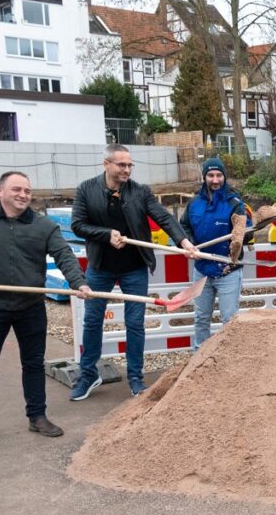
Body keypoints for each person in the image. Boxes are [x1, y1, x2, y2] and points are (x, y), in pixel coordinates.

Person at [0, 171, 91, 448]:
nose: (23, 195)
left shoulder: (43, 226)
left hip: (30, 307)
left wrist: (78, 282)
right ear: (0, 191)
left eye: (27, 190)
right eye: (16, 189)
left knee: (33, 364)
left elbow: (64, 254)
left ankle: (37, 416)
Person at [70, 143, 196, 400]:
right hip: (100, 267)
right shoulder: (86, 189)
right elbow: (78, 225)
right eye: (121, 165)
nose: (127, 170)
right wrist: (106, 235)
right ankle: (88, 375)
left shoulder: (140, 192)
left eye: (129, 165)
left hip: (134, 267)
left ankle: (136, 378)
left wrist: (183, 242)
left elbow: (164, 218)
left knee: (135, 323)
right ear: (106, 164)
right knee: (92, 320)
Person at [180, 157, 251, 348]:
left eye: (219, 175)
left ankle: (228, 357)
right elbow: (184, 226)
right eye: (210, 175)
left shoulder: (235, 203)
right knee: (201, 317)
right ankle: (199, 355)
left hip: (228, 270)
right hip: (202, 269)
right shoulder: (194, 203)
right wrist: (189, 244)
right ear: (204, 177)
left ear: (224, 177)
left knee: (229, 320)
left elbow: (247, 233)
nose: (215, 180)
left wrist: (242, 232)